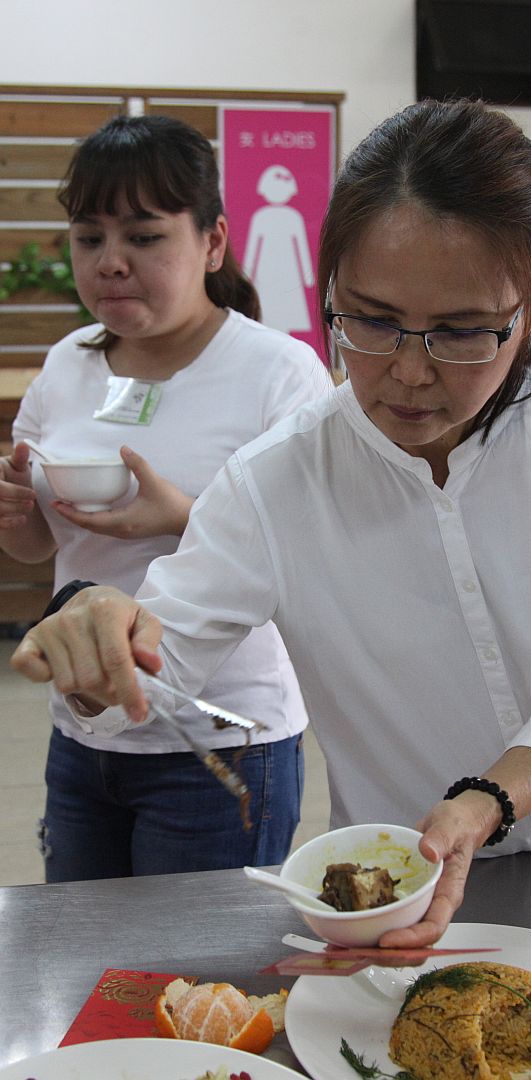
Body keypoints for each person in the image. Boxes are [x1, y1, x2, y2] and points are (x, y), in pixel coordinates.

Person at [11, 99, 531, 940]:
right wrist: (99, 641)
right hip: (408, 887)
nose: (409, 371)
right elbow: (157, 660)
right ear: (328, 291)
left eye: (462, 331)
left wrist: (487, 799)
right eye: (370, 320)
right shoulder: (278, 477)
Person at [0, 114, 327, 881]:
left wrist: (184, 516)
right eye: (89, 238)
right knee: (86, 948)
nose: (110, 262)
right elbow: (42, 544)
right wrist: (15, 518)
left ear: (212, 242)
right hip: (83, 725)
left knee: (200, 955)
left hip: (221, 737)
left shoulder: (279, 373)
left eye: (144, 237)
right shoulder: (69, 363)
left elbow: (316, 559)